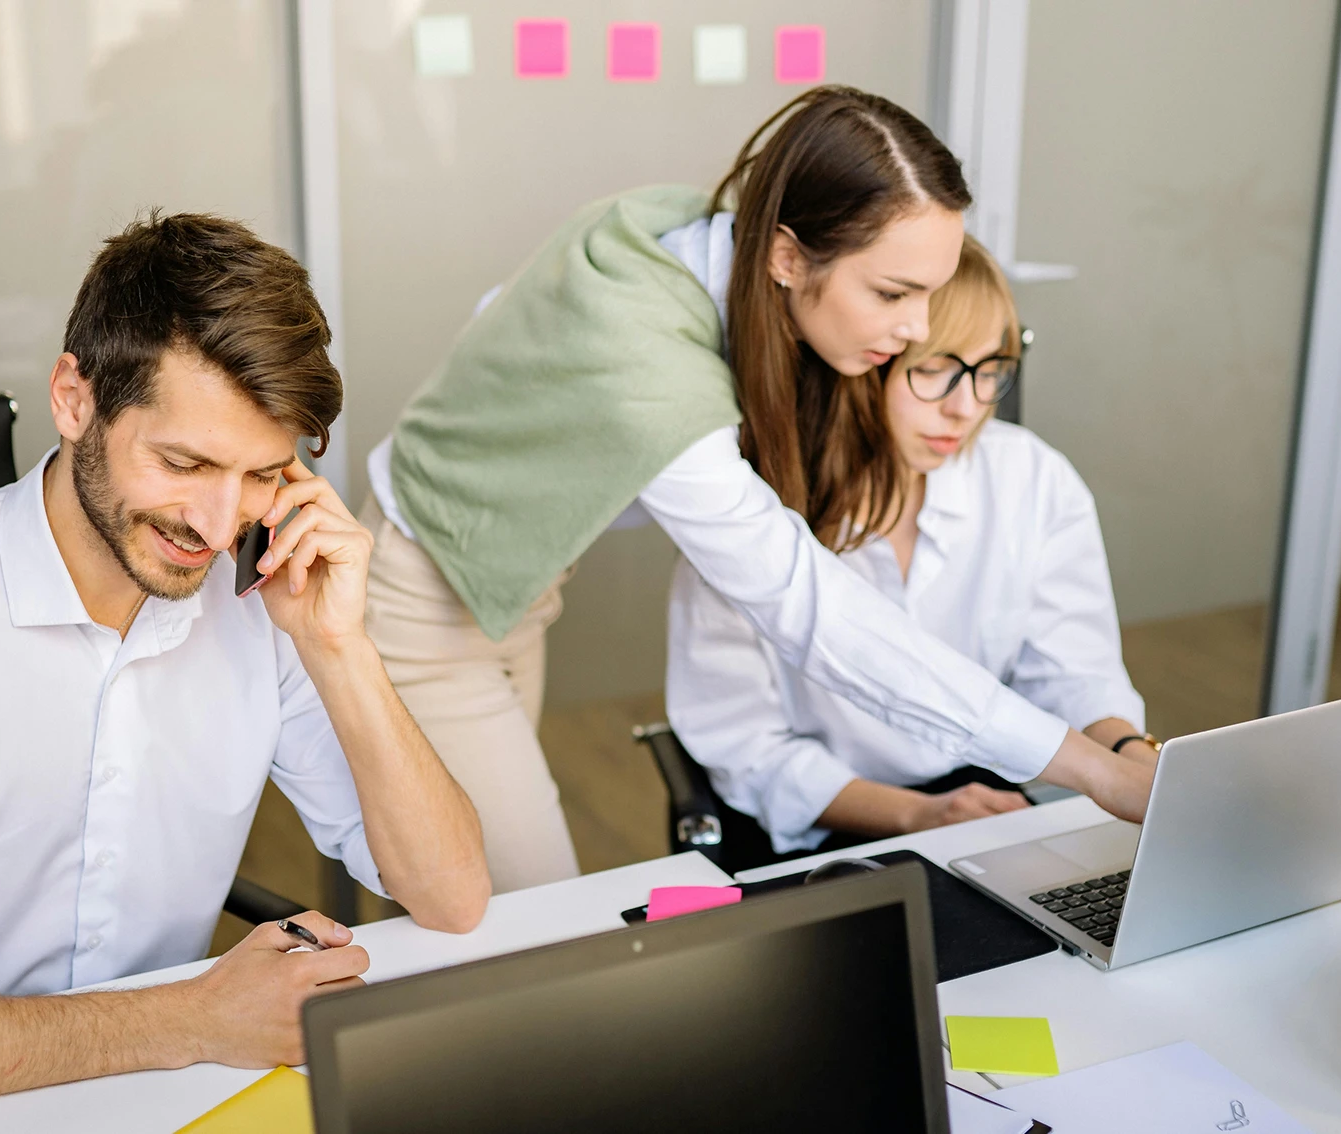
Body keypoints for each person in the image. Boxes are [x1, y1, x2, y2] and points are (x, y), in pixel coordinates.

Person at [0, 213, 490, 1114]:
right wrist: (191, 1019)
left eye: (261, 474)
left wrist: (339, 647)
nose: (216, 525)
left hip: (160, 1101)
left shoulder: (263, 602)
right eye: (183, 462)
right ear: (74, 400)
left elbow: (451, 896)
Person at [359, 85, 1156, 892]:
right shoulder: (652, 369)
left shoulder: (699, 232)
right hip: (425, 603)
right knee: (518, 919)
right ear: (785, 255)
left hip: (514, 592)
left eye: (930, 290)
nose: (920, 328)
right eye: (892, 294)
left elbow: (500, 312)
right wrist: (1088, 767)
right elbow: (810, 608)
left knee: (442, 888)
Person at [666, 235, 1155, 864]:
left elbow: (1075, 673)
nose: (966, 408)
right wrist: (917, 816)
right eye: (933, 371)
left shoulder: (1031, 478)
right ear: (868, 362)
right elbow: (749, 749)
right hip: (831, 827)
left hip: (986, 799)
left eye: (992, 372)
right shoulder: (749, 518)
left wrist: (1138, 763)